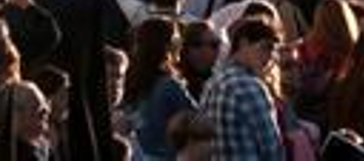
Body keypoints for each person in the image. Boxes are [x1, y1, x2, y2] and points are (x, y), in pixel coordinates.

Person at [198, 19, 284, 161]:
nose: (269, 57)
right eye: (265, 47)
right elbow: (272, 150)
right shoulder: (249, 87)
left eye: (272, 51)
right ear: (243, 43)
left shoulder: (212, 82)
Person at [122, 16, 195, 161]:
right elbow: (197, 123)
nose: (180, 43)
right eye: (177, 39)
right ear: (168, 46)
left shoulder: (128, 82)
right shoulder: (169, 86)